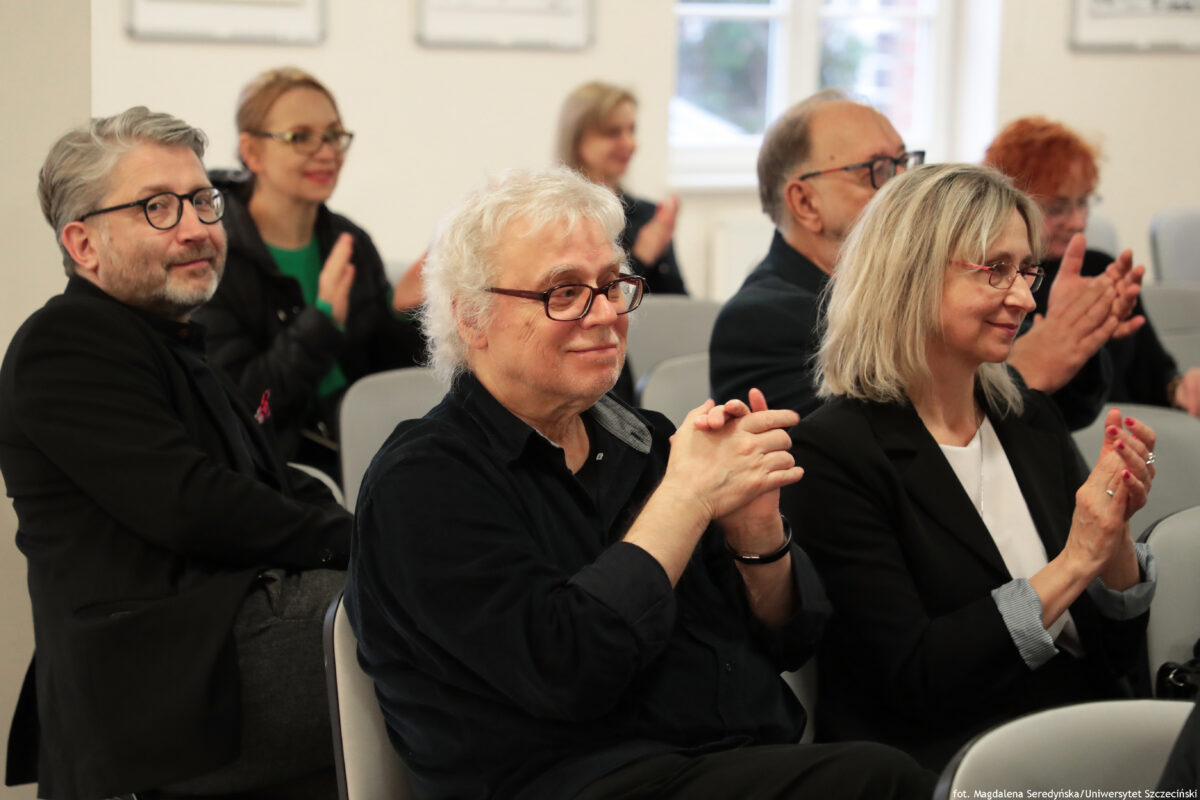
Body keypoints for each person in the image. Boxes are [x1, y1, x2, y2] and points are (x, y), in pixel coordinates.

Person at [345, 167, 934, 800]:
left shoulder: (645, 441)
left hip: (721, 762)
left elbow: (790, 638)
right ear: (472, 318)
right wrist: (685, 498)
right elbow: (568, 668)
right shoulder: (424, 481)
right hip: (573, 785)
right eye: (564, 292)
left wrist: (755, 532)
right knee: (885, 781)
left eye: (611, 285)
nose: (604, 314)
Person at [0, 107, 352, 800]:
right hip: (157, 684)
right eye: (156, 207)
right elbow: (193, 505)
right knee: (435, 613)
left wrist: (382, 530)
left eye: (200, 201)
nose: (195, 228)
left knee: (456, 607)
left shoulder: (172, 338)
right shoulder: (64, 343)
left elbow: (273, 483)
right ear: (83, 243)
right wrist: (366, 543)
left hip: (222, 643)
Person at [782, 162, 1157, 770]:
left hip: (1079, 735)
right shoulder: (832, 454)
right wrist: (1075, 560)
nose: (1025, 297)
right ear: (910, 275)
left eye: (1026, 270)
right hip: (950, 760)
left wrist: (1114, 532)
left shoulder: (1029, 419)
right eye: (995, 270)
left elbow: (1116, 653)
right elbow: (915, 677)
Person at [709, 91, 1140, 430]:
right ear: (805, 203)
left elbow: (1066, 413)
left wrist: (1074, 338)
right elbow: (838, 455)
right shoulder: (759, 321)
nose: (906, 184)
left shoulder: (941, 279)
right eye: (879, 170)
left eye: (905, 163)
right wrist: (1019, 372)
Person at [193, 67, 425, 479]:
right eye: (300, 137)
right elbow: (250, 405)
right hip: (279, 477)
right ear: (252, 152)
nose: (327, 152)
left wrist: (403, 314)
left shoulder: (349, 241)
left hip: (364, 458)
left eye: (334, 135)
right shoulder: (214, 254)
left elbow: (378, 374)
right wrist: (322, 322)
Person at [985, 115, 1200, 416]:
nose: (1078, 221)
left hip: (1131, 430)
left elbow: (1155, 375)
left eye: (1084, 202)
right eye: (1058, 208)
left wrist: (1181, 388)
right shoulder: (995, 282)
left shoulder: (1101, 269)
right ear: (1014, 204)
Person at [556, 80, 688, 295]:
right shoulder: (556, 219)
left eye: (631, 130)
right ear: (577, 139)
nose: (629, 143)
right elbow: (579, 299)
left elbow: (680, 306)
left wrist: (659, 254)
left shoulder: (649, 216)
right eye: (613, 132)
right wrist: (641, 257)